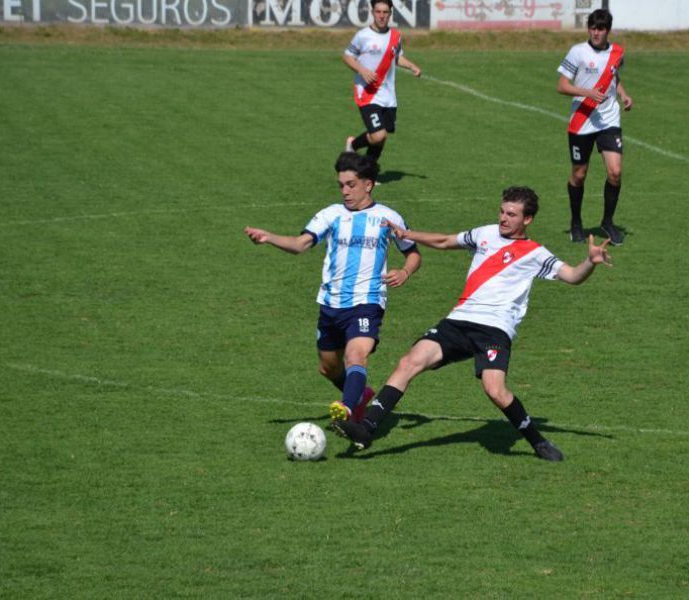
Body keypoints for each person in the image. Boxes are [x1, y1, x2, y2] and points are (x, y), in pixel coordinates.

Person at [332, 186, 613, 462]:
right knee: (409, 362)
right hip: (459, 320)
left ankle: (537, 441)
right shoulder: (484, 234)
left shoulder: (535, 253)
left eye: (511, 214)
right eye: (502, 211)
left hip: (494, 329)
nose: (503, 218)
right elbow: (444, 241)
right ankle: (366, 429)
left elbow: (573, 276)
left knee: (495, 390)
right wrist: (407, 234)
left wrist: (590, 261)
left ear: (527, 219)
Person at [244, 152, 421, 424]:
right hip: (330, 303)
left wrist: (405, 271)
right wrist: (269, 238)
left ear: (368, 184)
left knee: (355, 355)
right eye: (341, 185)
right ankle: (361, 395)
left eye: (351, 184)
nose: (345, 191)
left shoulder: (387, 217)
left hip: (367, 300)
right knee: (328, 367)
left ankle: (347, 407)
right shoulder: (331, 214)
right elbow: (301, 244)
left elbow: (413, 253)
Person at [557, 8, 633, 246]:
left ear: (607, 30)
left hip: (609, 120)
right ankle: (576, 223)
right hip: (582, 121)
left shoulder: (617, 52)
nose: (596, 32)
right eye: (592, 28)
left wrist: (623, 94)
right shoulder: (578, 52)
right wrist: (587, 92)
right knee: (579, 175)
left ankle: (607, 222)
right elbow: (562, 85)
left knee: (615, 172)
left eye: (600, 29)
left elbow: (612, 75)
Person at [343, 0, 422, 166]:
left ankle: (367, 173)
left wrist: (411, 66)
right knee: (378, 135)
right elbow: (347, 56)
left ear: (390, 14)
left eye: (385, 12)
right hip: (367, 93)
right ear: (372, 12)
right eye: (378, 11)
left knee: (382, 136)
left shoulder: (395, 36)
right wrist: (362, 71)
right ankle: (353, 145)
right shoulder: (363, 35)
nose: (381, 15)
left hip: (388, 95)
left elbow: (397, 56)